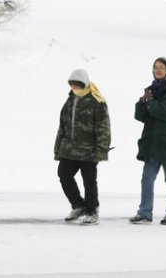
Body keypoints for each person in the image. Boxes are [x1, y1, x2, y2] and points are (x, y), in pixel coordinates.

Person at [129, 57, 166, 226]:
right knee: (146, 179)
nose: (158, 70)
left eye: (161, 67)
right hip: (152, 145)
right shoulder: (151, 90)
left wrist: (151, 104)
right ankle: (144, 212)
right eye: (155, 67)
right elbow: (140, 115)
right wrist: (143, 102)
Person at [54, 69, 111, 225]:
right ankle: (78, 206)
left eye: (78, 84)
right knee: (64, 175)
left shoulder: (96, 101)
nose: (75, 87)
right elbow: (62, 126)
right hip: (69, 150)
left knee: (89, 181)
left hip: (89, 151)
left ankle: (92, 211)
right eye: (72, 84)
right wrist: (58, 148)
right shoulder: (70, 100)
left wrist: (101, 149)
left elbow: (103, 127)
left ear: (84, 84)